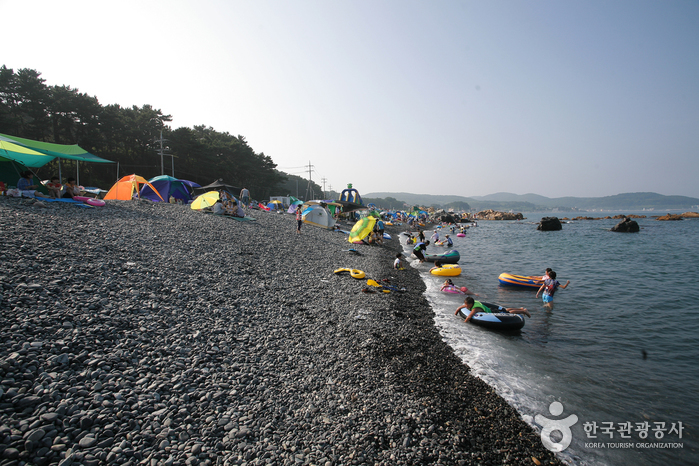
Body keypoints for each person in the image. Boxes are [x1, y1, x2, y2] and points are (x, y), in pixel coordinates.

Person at [455, 296, 530, 323]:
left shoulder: (475, 308)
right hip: (489, 309)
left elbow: (469, 317)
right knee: (505, 309)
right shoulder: (471, 303)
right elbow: (459, 307)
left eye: (467, 305)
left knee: (508, 311)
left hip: (492, 312)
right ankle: (520, 309)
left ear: (471, 304)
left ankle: (523, 311)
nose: (466, 306)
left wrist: (464, 323)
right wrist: (455, 314)